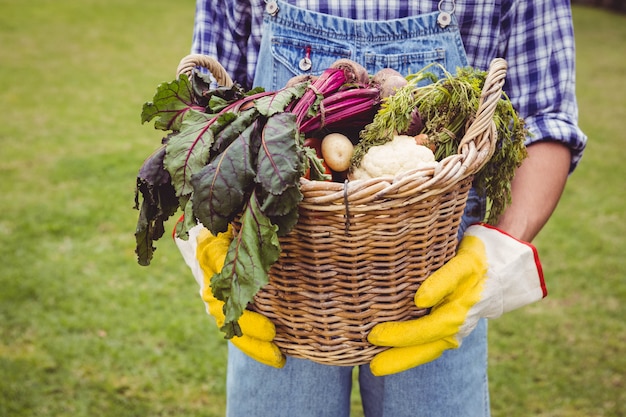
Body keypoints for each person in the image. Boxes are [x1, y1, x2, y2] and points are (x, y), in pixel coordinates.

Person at [176, 1, 587, 416]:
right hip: (278, 267)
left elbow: (545, 119)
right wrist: (211, 238)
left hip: (434, 280)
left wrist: (493, 255)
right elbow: (208, 104)